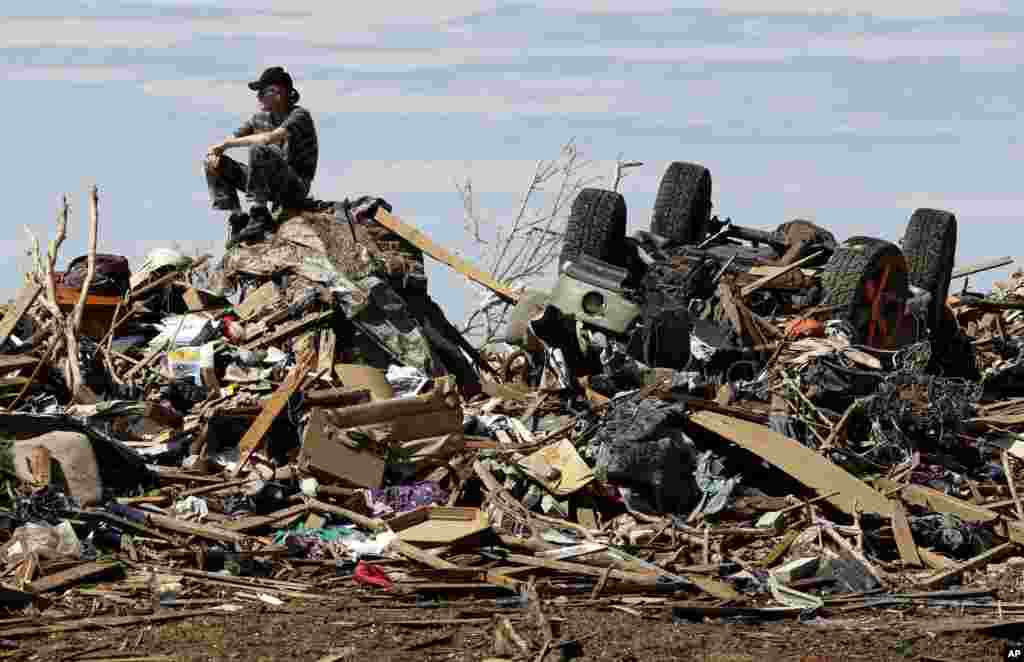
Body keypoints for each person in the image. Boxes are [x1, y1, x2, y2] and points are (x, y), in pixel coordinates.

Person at [204, 66, 318, 245]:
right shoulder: (259, 118)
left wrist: (226, 145)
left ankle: (259, 213)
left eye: (262, 92)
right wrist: (215, 152)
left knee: (259, 148)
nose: (258, 97)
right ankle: (238, 217)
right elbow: (230, 138)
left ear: (278, 92)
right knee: (213, 162)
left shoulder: (299, 116)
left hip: (294, 186)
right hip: (266, 183)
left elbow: (268, 138)